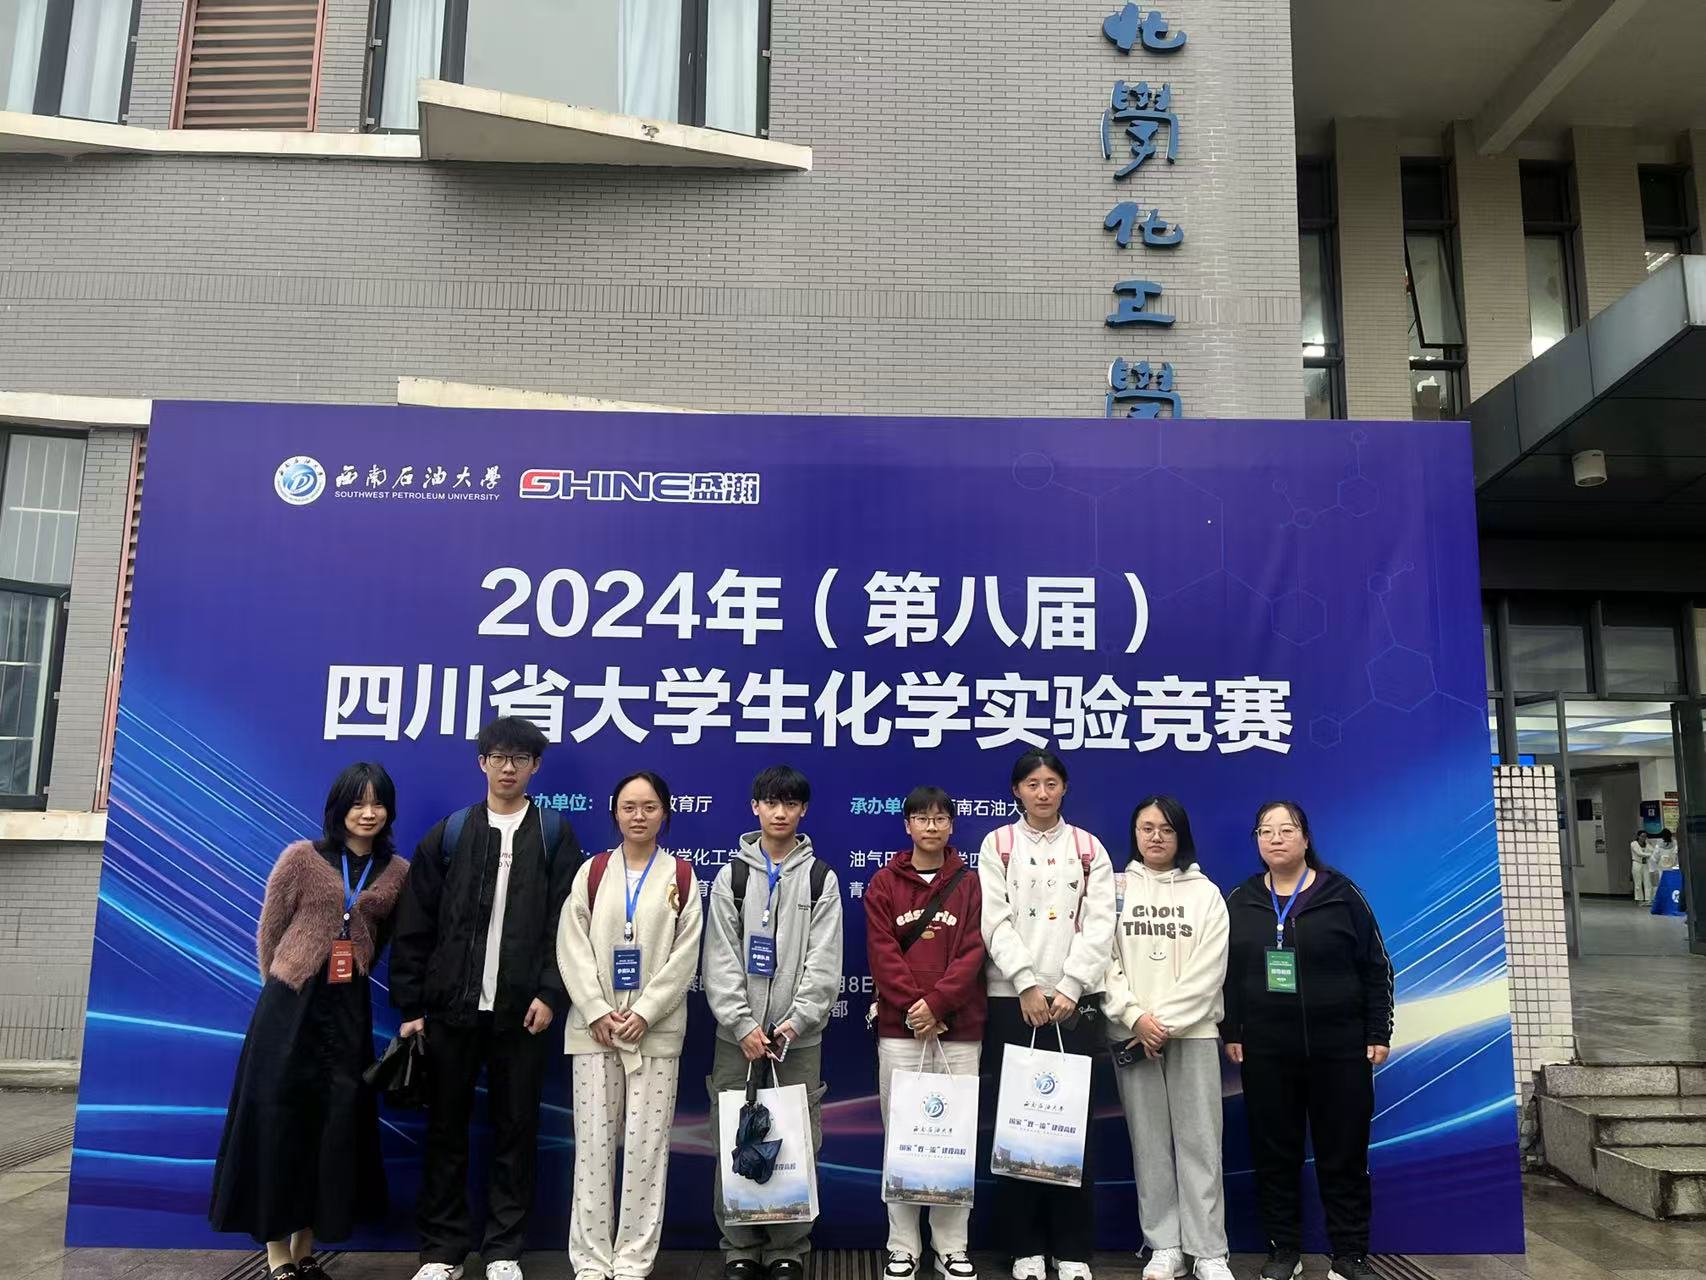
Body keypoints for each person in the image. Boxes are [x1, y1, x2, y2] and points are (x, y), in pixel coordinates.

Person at [390, 717, 584, 1280]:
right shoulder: (450, 834)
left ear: (535, 767)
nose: (507, 768)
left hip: (523, 1014)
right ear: (482, 762)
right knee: (445, 1129)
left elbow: (568, 923)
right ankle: (441, 1252)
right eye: (497, 757)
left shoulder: (553, 835)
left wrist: (550, 992)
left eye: (519, 758)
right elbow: (415, 924)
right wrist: (412, 1006)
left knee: (516, 1130)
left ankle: (503, 1250)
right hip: (451, 1011)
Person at [209, 763, 410, 1280]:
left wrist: (352, 967)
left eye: (378, 803)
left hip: (348, 1010)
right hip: (290, 1004)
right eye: (357, 802)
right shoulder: (301, 858)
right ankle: (277, 1255)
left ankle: (305, 1250)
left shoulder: (397, 872)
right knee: (279, 1119)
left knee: (333, 1124)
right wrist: (286, 981)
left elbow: (384, 937)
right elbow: (270, 929)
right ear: (338, 808)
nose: (368, 813)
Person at [1221, 802, 1393, 1280]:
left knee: (1345, 1154)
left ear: (1305, 838)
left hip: (1340, 1049)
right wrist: (1232, 1030)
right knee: (1275, 1155)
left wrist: (1377, 1031)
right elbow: (1226, 975)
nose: (1276, 838)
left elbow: (1376, 967)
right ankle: (1284, 1251)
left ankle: (1349, 1255)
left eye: (1286, 829)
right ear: (1257, 841)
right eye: (1265, 831)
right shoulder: (1242, 899)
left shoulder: (1342, 894)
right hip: (1267, 1051)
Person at [556, 771, 703, 1280]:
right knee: (593, 1147)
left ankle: (634, 1260)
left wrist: (645, 1012)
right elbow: (571, 943)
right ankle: (592, 1261)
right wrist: (596, 1009)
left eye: (649, 807)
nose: (639, 816)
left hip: (654, 1034)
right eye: (629, 807)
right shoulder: (592, 872)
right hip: (594, 1032)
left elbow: (686, 955)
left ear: (665, 812)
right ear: (614, 812)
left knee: (647, 1149)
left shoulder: (681, 876)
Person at [978, 750, 1116, 1280]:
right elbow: (994, 921)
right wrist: (1026, 984)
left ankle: (1072, 1248)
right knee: (1018, 1124)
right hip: (1013, 1001)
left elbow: (1100, 924)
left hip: (1074, 1004)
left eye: (1051, 783)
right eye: (1032, 784)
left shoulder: (1088, 848)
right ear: (1017, 790)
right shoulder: (998, 844)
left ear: (1064, 788)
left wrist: (1071, 986)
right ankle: (1024, 1248)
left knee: (1070, 1125)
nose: (1042, 792)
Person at [704, 764, 844, 1280]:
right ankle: (738, 1245)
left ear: (803, 810)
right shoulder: (732, 877)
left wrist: (795, 1022)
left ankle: (789, 1246)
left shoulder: (821, 878)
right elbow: (719, 958)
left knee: (795, 1139)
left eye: (790, 803)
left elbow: (824, 962)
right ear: (755, 807)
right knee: (734, 1137)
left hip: (796, 1041)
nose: (780, 813)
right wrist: (742, 1024)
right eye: (770, 802)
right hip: (735, 1040)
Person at [1102, 796, 1231, 1280]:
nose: (1156, 837)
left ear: (1182, 836)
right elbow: (1103, 960)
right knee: (1149, 1143)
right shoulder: (1113, 889)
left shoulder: (1206, 894)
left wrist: (1165, 1023)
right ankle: (1165, 1246)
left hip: (1192, 1034)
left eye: (1166, 829)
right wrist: (1135, 1017)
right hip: (1132, 1035)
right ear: (1134, 833)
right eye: (1147, 827)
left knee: (1201, 1142)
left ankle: (1209, 1251)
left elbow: (1210, 969)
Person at [865, 785, 987, 1280]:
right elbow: (882, 954)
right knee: (903, 1136)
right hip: (902, 1030)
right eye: (921, 818)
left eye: (940, 818)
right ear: (907, 825)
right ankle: (902, 1247)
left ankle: (952, 1247)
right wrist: (916, 1008)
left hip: (959, 1032)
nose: (931, 826)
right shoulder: (884, 884)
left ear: (952, 825)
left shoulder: (971, 883)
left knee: (954, 1138)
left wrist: (937, 1005)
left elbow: (974, 951)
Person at [1630, 832, 1653, 905]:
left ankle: (1648, 899)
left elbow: (1653, 850)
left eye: (1645, 836)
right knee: (1638, 882)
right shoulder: (1634, 844)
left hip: (1645, 864)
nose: (1644, 838)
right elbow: (1639, 853)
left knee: (1647, 882)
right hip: (1637, 863)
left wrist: (1651, 851)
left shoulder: (1647, 844)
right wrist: (1650, 854)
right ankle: (1639, 899)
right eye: (1642, 836)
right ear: (1638, 836)